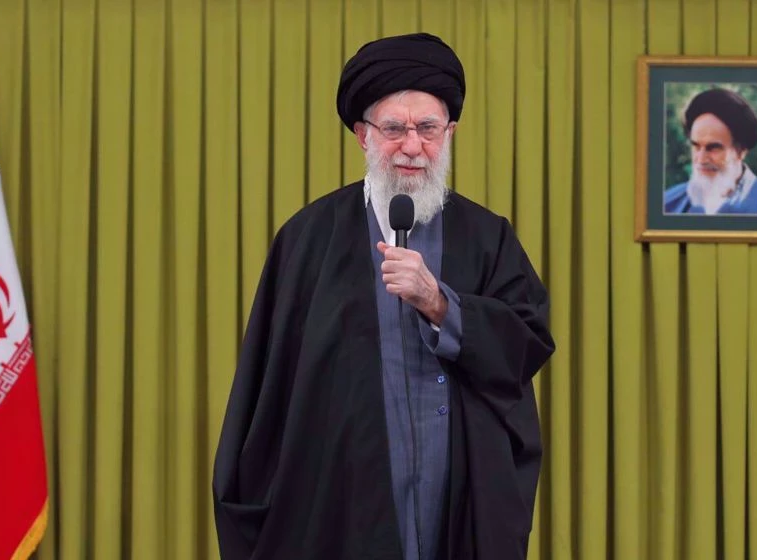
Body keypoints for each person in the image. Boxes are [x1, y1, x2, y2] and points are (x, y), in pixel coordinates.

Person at [212, 32, 555, 560]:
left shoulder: (489, 237)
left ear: (450, 132)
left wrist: (440, 304)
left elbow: (527, 344)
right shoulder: (308, 239)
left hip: (457, 502)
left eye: (428, 129)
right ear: (362, 135)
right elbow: (270, 386)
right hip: (343, 505)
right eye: (394, 129)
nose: (412, 147)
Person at [663, 87, 757, 215]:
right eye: (696, 146)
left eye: (713, 148)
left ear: (741, 151)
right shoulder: (668, 204)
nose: (701, 159)